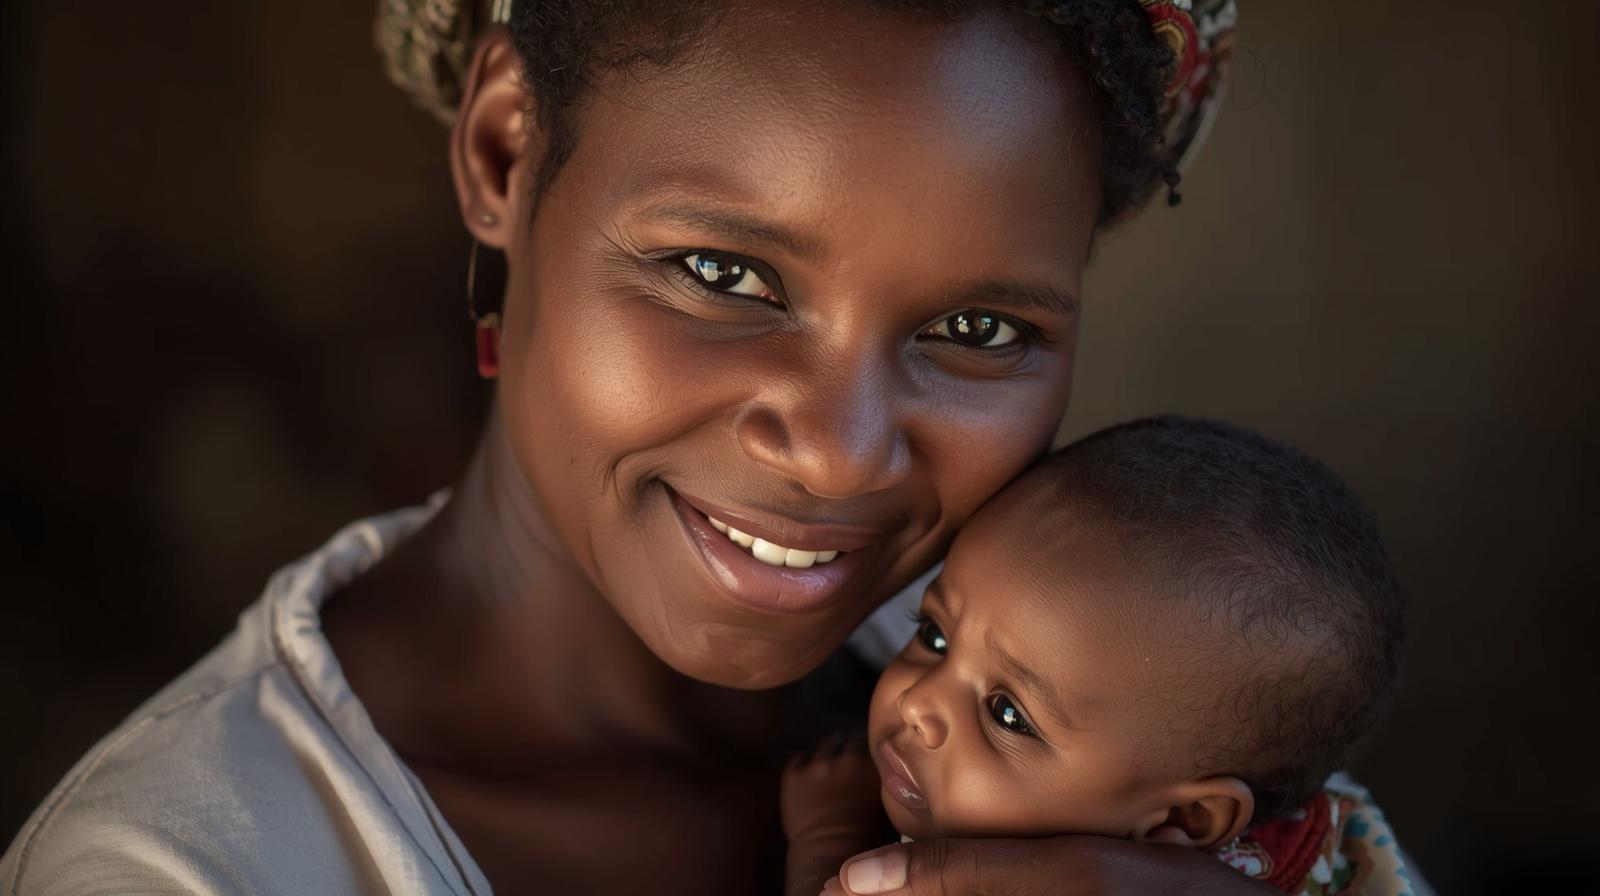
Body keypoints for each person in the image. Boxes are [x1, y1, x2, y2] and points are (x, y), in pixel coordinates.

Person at [1, 0, 1422, 893]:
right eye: (728, 276)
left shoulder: (1141, 749)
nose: (839, 453)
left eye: (981, 328)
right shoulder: (185, 865)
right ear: (505, 152)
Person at [781, 416, 1412, 896]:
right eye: (936, 636)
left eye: (1006, 715)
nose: (918, 702)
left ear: (1188, 820)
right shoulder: (1337, 840)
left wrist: (827, 841)